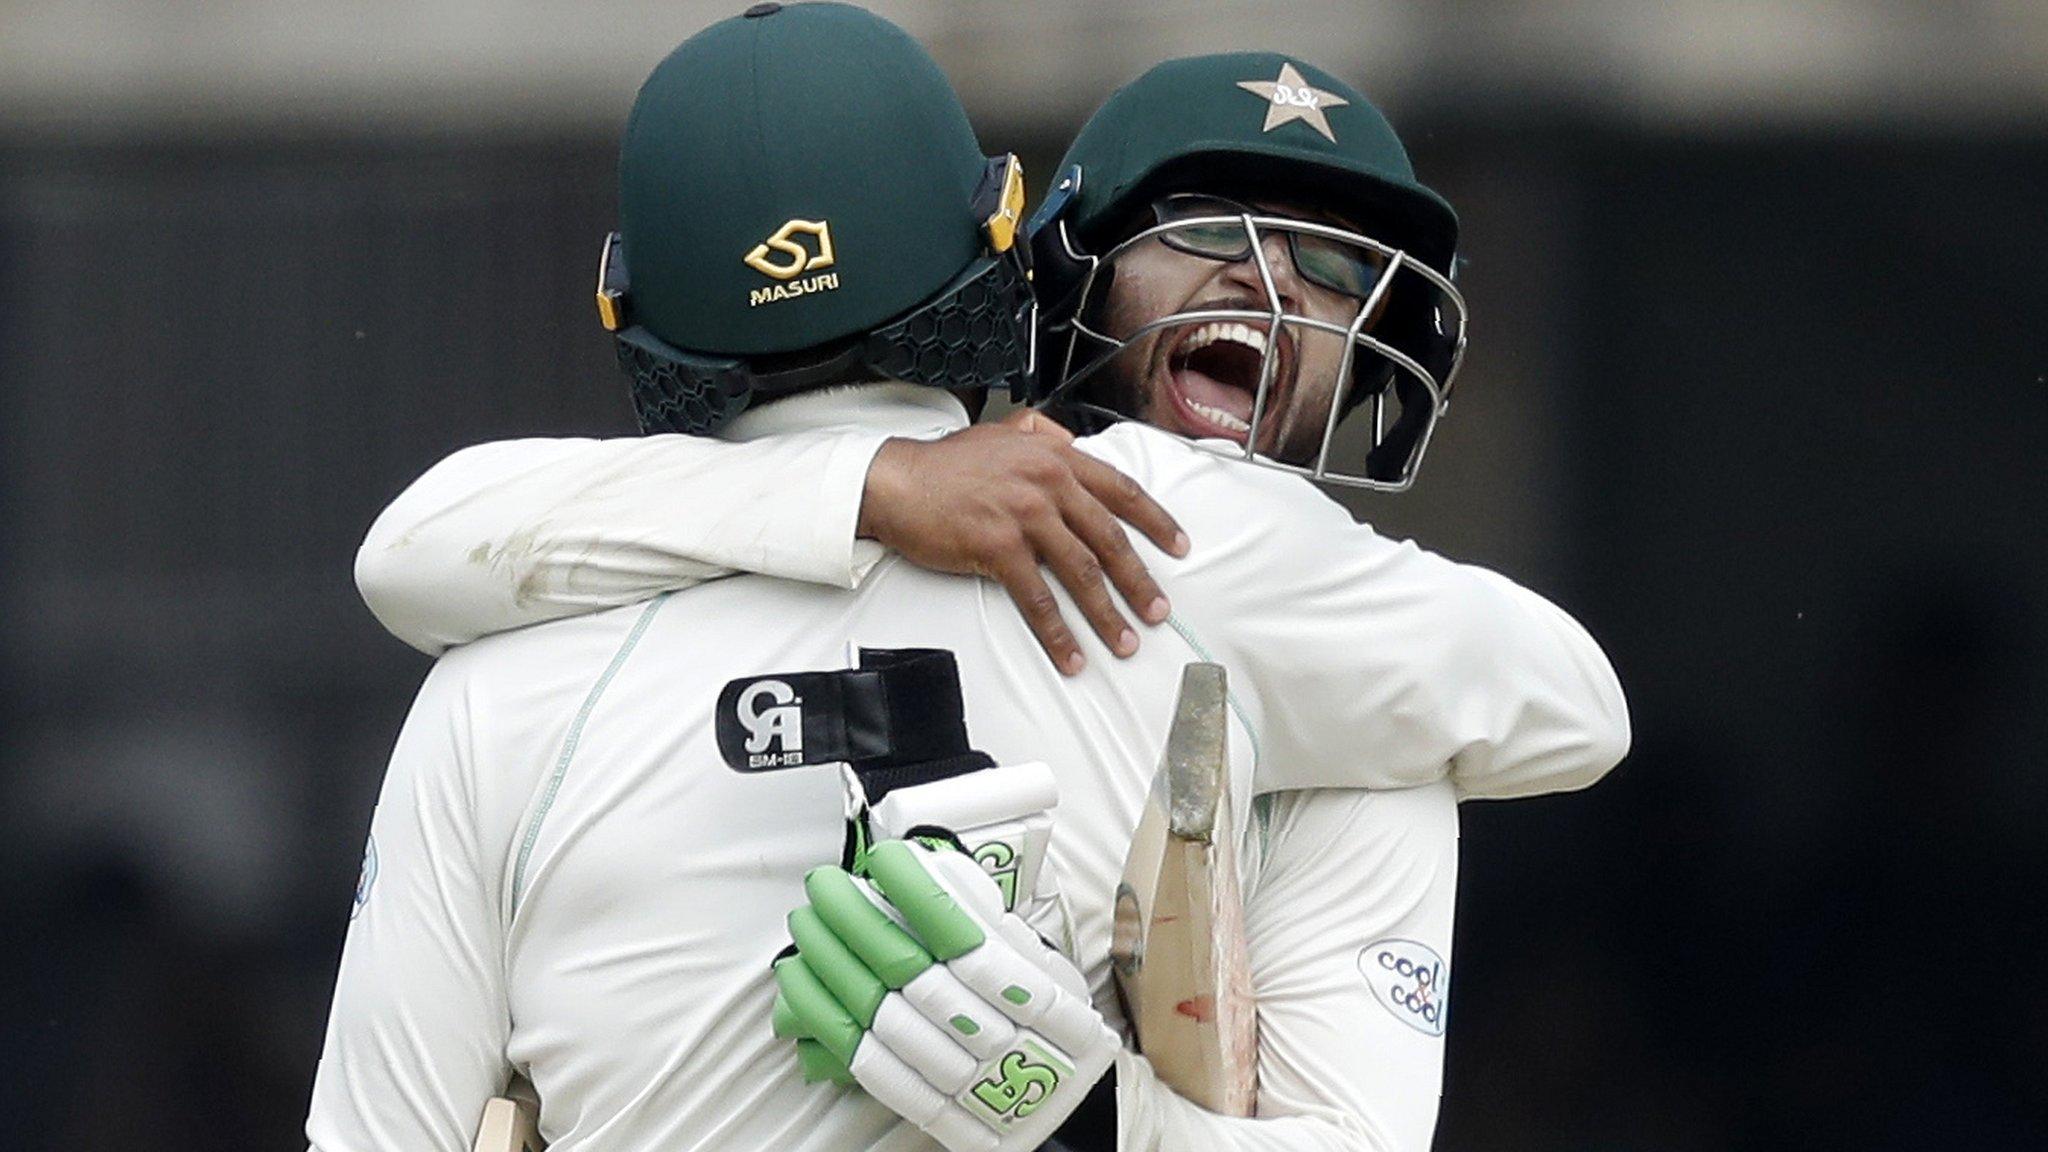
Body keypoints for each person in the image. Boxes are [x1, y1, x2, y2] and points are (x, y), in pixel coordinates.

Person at [315, 10, 1630, 1152]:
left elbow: (410, 551)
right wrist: (877, 487)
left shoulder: (487, 684)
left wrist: (1082, 1118)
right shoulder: (1195, 540)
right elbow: (1574, 708)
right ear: (1019, 257)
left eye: (1332, 266)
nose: (1271, 291)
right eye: (1205, 230)